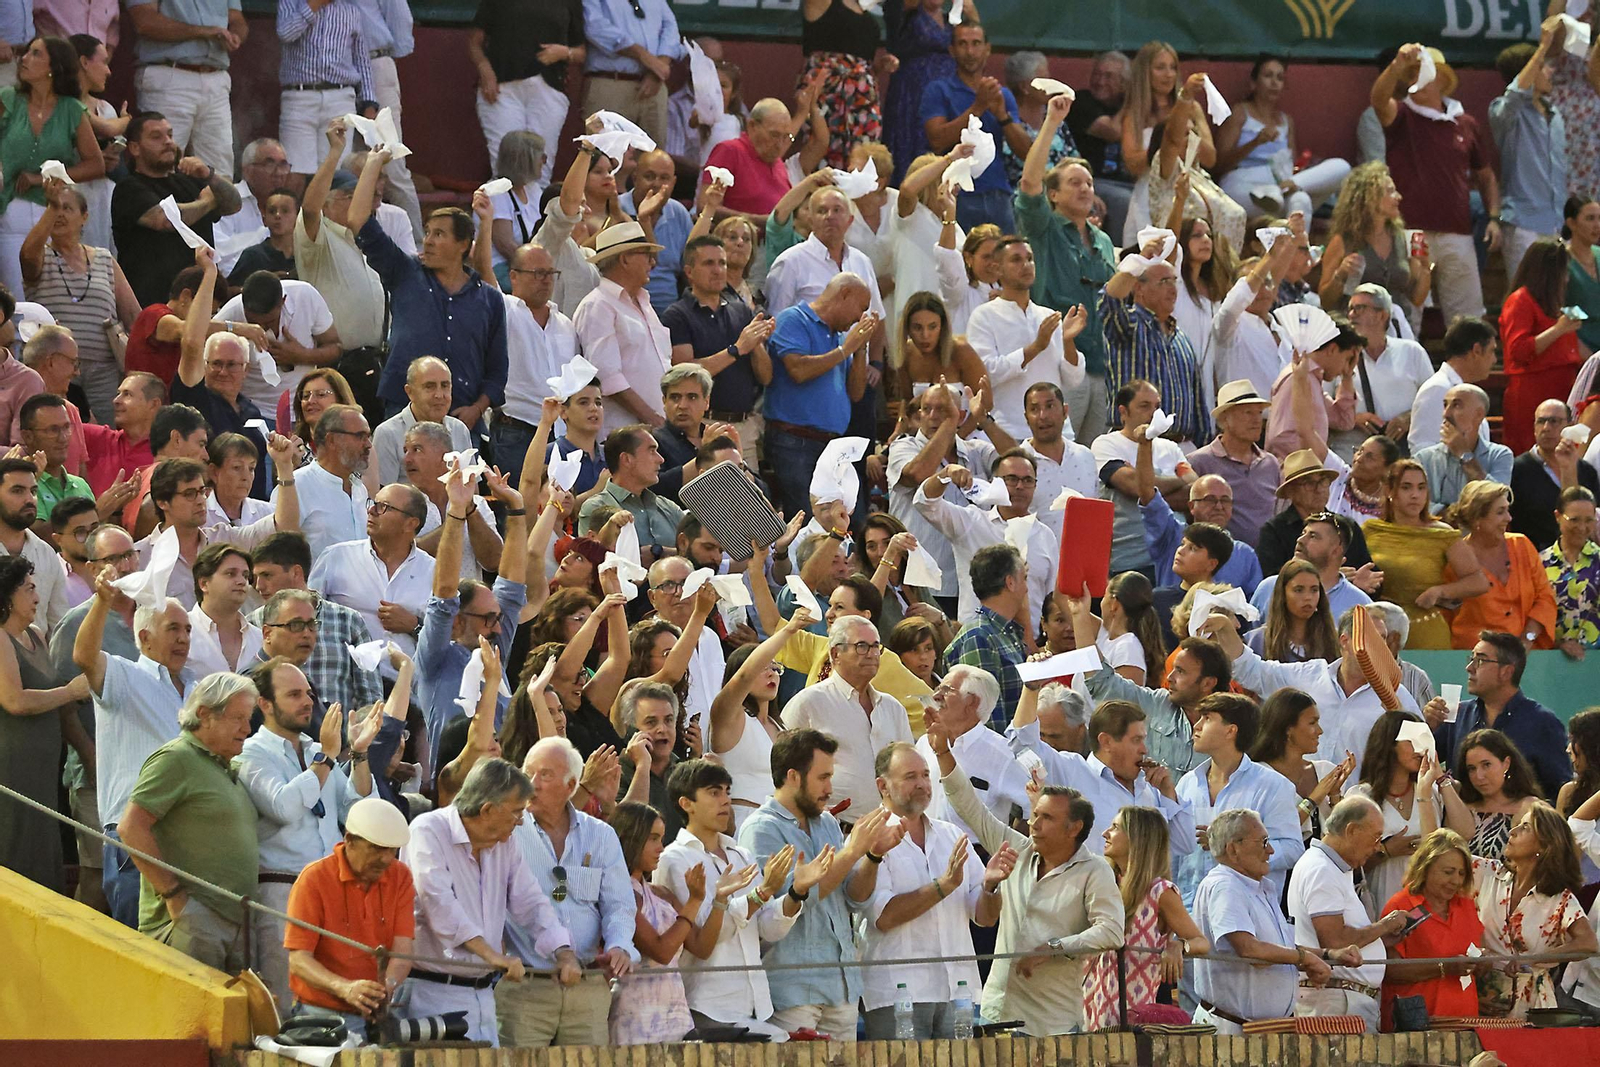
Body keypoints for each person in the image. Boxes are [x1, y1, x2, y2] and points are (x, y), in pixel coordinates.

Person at [400, 758, 579, 1046]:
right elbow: (439, 903)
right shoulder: (428, 830)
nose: (521, 822)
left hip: (484, 996)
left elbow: (531, 902)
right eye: (516, 812)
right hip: (433, 995)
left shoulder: (506, 842)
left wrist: (563, 951)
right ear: (487, 809)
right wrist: (492, 955)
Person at [235, 657, 378, 1009]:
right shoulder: (251, 753)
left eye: (309, 693)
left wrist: (358, 754)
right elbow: (283, 808)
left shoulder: (316, 750)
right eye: (294, 694)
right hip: (280, 889)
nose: (308, 701)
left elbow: (357, 811)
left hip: (330, 889)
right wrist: (329, 757)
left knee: (330, 1002)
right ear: (264, 704)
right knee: (286, 1001)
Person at [736, 729, 891, 1037]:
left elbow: (854, 898)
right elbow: (792, 905)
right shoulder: (760, 829)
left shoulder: (828, 823)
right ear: (793, 776)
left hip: (842, 986)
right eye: (822, 778)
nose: (829, 788)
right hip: (793, 992)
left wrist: (872, 856)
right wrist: (851, 851)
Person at [350, 150, 505, 437]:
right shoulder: (405, 273)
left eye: (439, 234)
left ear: (463, 245)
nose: (428, 241)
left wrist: (476, 409)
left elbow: (497, 372)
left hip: (463, 420)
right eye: (428, 232)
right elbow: (359, 221)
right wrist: (373, 163)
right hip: (401, 412)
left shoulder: (490, 299)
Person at [495, 738, 635, 1047]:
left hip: (587, 986)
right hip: (525, 986)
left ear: (571, 784)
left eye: (544, 775)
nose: (531, 784)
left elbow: (619, 905)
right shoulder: (507, 833)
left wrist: (619, 945)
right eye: (527, 773)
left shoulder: (600, 835)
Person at [118, 672, 260, 972]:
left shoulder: (223, 767)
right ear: (204, 715)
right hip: (194, 921)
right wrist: (174, 896)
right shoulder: (176, 758)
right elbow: (130, 828)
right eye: (238, 718)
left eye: (249, 719)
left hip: (233, 923)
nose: (247, 729)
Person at [652, 759, 802, 1039]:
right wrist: (762, 892)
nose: (725, 801)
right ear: (686, 803)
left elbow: (767, 930)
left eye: (727, 791)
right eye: (714, 792)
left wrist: (796, 892)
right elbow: (707, 936)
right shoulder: (674, 859)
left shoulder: (740, 854)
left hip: (755, 1003)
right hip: (708, 1004)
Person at [859, 742, 990, 1039]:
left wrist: (993, 887)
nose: (921, 784)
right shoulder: (869, 835)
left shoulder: (952, 835)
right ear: (883, 785)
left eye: (925, 775)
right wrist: (942, 887)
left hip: (958, 990)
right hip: (898, 993)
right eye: (910, 777)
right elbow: (884, 917)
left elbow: (983, 916)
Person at [1203, 604, 1420, 780]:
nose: (1378, 646)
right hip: (1298, 802)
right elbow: (1252, 670)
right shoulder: (1310, 674)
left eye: (1382, 639)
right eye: (1370, 638)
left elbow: (1421, 750)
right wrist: (1225, 629)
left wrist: (1396, 713)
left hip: (1359, 811)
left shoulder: (1395, 693)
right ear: (1344, 640)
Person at [1371, 44, 1500, 323]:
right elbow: (1379, 101)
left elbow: (1486, 174)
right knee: (1407, 314)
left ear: (1441, 79)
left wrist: (1493, 217)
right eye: (1412, 72)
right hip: (1410, 230)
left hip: (1458, 232)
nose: (1416, 77)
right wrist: (1396, 65)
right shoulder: (1401, 114)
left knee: (1468, 318)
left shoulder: (1466, 123)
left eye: (1423, 71)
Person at [1190, 807, 1345, 1034]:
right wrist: (1305, 958)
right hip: (1231, 1032)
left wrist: (1326, 955)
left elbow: (1272, 947)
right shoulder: (1226, 886)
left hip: (1263, 1032)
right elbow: (1250, 949)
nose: (1270, 850)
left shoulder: (1260, 887)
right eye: (1263, 842)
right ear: (1234, 849)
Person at [1015, 98, 1117, 440]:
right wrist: (1052, 122)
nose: (1086, 188)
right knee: (1057, 448)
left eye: (1089, 182)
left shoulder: (1104, 240)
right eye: (1074, 182)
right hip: (1059, 361)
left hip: (1102, 367)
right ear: (1053, 195)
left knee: (1094, 459)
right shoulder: (1043, 229)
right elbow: (1030, 184)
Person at [416, 466, 526, 767]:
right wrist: (456, 511)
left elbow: (513, 583)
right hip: (455, 788)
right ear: (457, 621)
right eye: (487, 619)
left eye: (497, 618)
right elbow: (444, 592)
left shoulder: (493, 649)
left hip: (503, 783)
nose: (497, 627)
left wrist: (515, 508)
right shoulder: (435, 659)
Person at [283, 796, 415, 1037]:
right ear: (349, 840)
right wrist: (344, 988)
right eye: (376, 848)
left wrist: (385, 988)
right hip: (318, 1014)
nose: (386, 859)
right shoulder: (314, 879)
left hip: (369, 1015)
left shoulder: (401, 876)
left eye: (392, 850)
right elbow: (298, 960)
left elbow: (403, 950)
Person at [0, 555, 90, 892]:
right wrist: (69, 692)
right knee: (16, 845)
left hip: (43, 765)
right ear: (8, 596)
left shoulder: (37, 636)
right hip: (11, 766)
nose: (37, 597)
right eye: (29, 589)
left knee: (43, 845)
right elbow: (15, 701)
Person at [1286, 795, 1410, 1031]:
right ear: (1352, 830)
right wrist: (1384, 925)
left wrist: (1377, 937)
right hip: (1336, 1004)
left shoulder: (1331, 867)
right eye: (1375, 838)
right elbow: (1335, 942)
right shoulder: (1321, 869)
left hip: (1342, 1001)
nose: (1376, 848)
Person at [19, 180, 136, 423]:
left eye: (66, 208)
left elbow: (133, 315)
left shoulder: (104, 259)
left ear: (84, 216)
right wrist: (50, 208)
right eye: (53, 208)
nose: (59, 214)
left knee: (106, 433)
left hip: (103, 369)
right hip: (54, 368)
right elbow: (27, 256)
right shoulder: (43, 256)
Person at [762, 273, 877, 517]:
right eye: (861, 307)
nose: (860, 317)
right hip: (796, 442)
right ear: (844, 294)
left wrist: (859, 348)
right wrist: (846, 349)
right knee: (812, 522)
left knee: (854, 520)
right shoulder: (794, 319)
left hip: (833, 446)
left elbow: (856, 394)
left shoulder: (840, 337)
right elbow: (798, 370)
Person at [1173, 692, 1303, 909]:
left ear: (1230, 730)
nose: (1196, 726)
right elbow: (1174, 854)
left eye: (1207, 718)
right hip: (1190, 911)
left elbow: (1292, 849)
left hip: (1246, 912)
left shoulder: (1273, 786)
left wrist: (1236, 848)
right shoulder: (1187, 784)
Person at [1084, 805, 1208, 1029]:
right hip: (1086, 1011)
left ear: (1137, 838)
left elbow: (1200, 942)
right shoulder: (1104, 883)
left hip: (1133, 1021)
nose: (1105, 833)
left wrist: (1178, 946)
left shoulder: (1160, 892)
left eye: (1115, 828)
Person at [0, 37, 103, 299]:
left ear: (52, 67)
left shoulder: (71, 109)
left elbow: (95, 164)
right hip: (11, 211)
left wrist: (39, 178)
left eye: (35, 54)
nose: (23, 59)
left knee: (52, 296)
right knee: (17, 297)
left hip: (56, 214)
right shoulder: (8, 98)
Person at [780, 615, 913, 817]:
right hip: (834, 833)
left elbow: (908, 768)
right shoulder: (809, 703)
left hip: (893, 832)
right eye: (861, 646)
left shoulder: (893, 708)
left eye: (876, 646)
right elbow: (780, 772)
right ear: (835, 653)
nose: (871, 654)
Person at [1476, 802, 1598, 1017]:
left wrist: (1530, 960)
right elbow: (1438, 856)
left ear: (1544, 846)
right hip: (1481, 996)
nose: (1512, 832)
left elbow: (1588, 944)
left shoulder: (1559, 899)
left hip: (1532, 1006)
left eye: (1525, 827)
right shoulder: (1487, 873)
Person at [913, 450, 1058, 627]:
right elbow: (924, 503)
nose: (1020, 486)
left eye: (1027, 480)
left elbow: (1054, 596)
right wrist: (946, 474)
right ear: (994, 483)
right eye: (1011, 479)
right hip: (978, 638)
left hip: (1030, 644)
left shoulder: (1045, 536)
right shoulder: (971, 522)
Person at [662, 235, 772, 467]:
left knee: (748, 500)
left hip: (743, 428)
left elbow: (766, 376)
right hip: (701, 427)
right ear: (689, 272)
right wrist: (737, 348)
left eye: (722, 263)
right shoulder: (677, 314)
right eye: (709, 263)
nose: (718, 270)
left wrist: (755, 344)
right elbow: (684, 374)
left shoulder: (741, 311)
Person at [112, 111, 242, 306]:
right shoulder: (128, 188)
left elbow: (234, 204)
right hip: (152, 303)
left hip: (202, 300)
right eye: (157, 137)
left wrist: (209, 175)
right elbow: (165, 219)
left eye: (170, 135)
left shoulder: (189, 182)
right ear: (135, 148)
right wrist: (208, 202)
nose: (168, 142)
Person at [172, 249, 273, 499]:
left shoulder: (252, 411)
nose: (222, 371)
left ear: (246, 370)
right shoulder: (195, 400)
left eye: (231, 365)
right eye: (215, 364)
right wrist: (210, 273)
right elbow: (192, 343)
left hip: (250, 517)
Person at [965, 235, 1087, 442]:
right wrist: (1035, 348)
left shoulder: (1048, 316)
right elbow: (985, 374)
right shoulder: (983, 316)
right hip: (1007, 433)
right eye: (1016, 260)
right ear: (997, 269)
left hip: (1057, 435)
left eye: (1029, 259)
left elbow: (1073, 380)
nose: (1026, 265)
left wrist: (1067, 341)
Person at [251, 533, 383, 716]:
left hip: (341, 740)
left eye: (267, 575)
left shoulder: (348, 621)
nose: (259, 585)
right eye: (255, 577)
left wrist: (360, 739)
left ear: (296, 572)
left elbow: (370, 697)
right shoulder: (254, 623)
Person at [307, 480, 432, 669]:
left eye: (384, 507)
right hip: (348, 682)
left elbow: (447, 639)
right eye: (373, 503)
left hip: (408, 687)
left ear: (410, 523)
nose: (371, 511)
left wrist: (414, 626)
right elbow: (307, 615)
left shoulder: (433, 571)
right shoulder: (335, 557)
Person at [1435, 631, 1572, 802]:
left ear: (1506, 672)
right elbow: (1417, 763)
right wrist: (1428, 724)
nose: (1469, 667)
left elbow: (1560, 791)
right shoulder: (1458, 714)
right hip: (1460, 824)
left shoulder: (1543, 723)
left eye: (1480, 660)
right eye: (1470, 659)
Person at [1362, 460, 1483, 649]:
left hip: (1425, 633)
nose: (1415, 495)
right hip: (1378, 632)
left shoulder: (1441, 534)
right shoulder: (1370, 530)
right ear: (1389, 491)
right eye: (1406, 487)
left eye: (1421, 488)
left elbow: (1478, 581)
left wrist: (1440, 591)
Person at [1101, 237, 1210, 448]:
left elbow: (1197, 404)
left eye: (1174, 281)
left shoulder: (1181, 338)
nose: (1172, 289)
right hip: (1134, 443)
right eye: (1163, 282)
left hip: (1182, 447)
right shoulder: (1128, 326)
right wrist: (1138, 262)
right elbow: (1109, 301)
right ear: (1138, 289)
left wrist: (1203, 446)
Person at [918, 22, 1027, 232]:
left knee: (1004, 261)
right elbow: (937, 141)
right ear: (952, 50)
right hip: (955, 194)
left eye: (976, 43)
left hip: (998, 193)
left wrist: (1003, 117)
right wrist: (978, 106)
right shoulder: (938, 90)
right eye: (962, 44)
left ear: (987, 49)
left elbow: (1025, 151)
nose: (970, 51)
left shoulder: (1001, 94)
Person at [606, 800, 697, 1044]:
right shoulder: (618, 893)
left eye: (662, 838)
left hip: (677, 1014)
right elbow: (661, 951)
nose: (661, 847)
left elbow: (701, 946)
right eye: (653, 839)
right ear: (630, 839)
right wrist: (694, 903)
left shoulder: (662, 893)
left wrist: (721, 898)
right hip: (636, 1016)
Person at [1214, 56, 1349, 220]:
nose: (1274, 83)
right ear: (1253, 83)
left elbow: (1291, 165)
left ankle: (1282, 196)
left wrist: (1301, 169)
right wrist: (1255, 142)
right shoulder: (1240, 113)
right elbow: (1220, 165)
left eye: (1280, 78)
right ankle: (1277, 194)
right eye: (1268, 76)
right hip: (1243, 185)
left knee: (1340, 169)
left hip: (1279, 184)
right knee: (1295, 200)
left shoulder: (1286, 121)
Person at [571, 220, 672, 438]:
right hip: (623, 434)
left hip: (654, 430)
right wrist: (652, 419)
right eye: (645, 254)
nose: (652, 262)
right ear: (625, 259)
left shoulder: (644, 303)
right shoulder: (598, 305)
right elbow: (607, 377)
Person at [468, 0, 580, 191]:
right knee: (505, 166)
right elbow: (474, 41)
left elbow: (582, 52)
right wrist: (484, 69)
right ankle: (500, 219)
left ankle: (535, 220)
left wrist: (564, 52)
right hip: (502, 87)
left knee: (541, 168)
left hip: (549, 87)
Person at [1378, 828, 1485, 1029]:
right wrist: (1443, 968)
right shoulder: (1402, 906)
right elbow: (1389, 970)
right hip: (1415, 1027)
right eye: (1448, 872)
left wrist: (1482, 963)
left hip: (1465, 1024)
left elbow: (1477, 949)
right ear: (1425, 868)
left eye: (1461, 873)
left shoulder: (1466, 905)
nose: (1456, 881)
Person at [297, 125, 386, 357]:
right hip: (334, 361)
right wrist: (335, 151)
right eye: (349, 197)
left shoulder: (363, 239)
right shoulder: (318, 237)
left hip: (372, 360)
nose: (358, 203)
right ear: (326, 204)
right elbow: (309, 208)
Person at [1093, 379, 1197, 577]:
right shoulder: (1106, 445)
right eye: (1144, 406)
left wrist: (1150, 490)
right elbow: (1137, 487)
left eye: (1157, 407)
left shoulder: (1171, 448)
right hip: (1129, 560)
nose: (1154, 413)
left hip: (1173, 559)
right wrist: (1177, 482)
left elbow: (1195, 490)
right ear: (1123, 412)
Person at [913, 664, 1030, 838]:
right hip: (925, 853)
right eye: (937, 689)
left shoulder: (1002, 753)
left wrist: (1013, 850)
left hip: (976, 857)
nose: (936, 696)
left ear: (972, 701)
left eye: (946, 690)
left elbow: (1034, 806)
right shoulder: (925, 742)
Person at [1445, 480, 1559, 652]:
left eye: (1507, 510)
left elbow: (1545, 599)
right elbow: (1448, 615)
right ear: (1477, 518)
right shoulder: (1457, 557)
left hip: (1526, 656)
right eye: (1500, 512)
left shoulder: (1522, 545)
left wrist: (1526, 640)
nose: (1509, 518)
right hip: (1474, 658)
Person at [1490, 27, 1568, 279]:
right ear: (1531, 71)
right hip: (1523, 225)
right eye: (1544, 66)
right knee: (1525, 300)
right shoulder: (1504, 113)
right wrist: (1543, 48)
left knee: (1556, 302)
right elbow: (1514, 95)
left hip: (1557, 225)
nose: (1550, 71)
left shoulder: (1555, 116)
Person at [498, 246, 580, 485]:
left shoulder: (565, 324)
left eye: (550, 273)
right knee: (517, 509)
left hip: (560, 433)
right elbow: (484, 276)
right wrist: (487, 221)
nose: (545, 280)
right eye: (537, 273)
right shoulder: (503, 310)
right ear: (513, 276)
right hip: (517, 430)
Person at [1317, 163, 1431, 328]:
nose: (1398, 197)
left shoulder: (1401, 238)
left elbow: (1417, 298)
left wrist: (1425, 266)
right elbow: (1326, 301)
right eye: (1390, 191)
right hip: (1355, 331)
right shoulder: (1343, 241)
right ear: (1370, 198)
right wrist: (1340, 275)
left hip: (1396, 329)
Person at [1501, 240, 1584, 456]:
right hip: (1532, 393)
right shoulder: (1520, 301)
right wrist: (1559, 329)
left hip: (1561, 390)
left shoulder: (1553, 304)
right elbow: (1518, 351)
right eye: (1563, 272)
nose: (1566, 279)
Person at [795, 0, 895, 170]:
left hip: (862, 100)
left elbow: (859, 61)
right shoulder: (823, 4)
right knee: (822, 155)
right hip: (829, 94)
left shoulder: (864, 7)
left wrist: (879, 66)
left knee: (863, 158)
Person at [1249, 688, 1353, 846]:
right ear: (1288, 729)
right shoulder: (1259, 776)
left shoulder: (1325, 770)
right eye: (1312, 723)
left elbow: (1345, 838)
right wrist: (1313, 799)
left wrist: (1335, 795)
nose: (1320, 731)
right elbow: (1271, 835)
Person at [578, 0, 682, 147]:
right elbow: (594, 27)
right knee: (605, 156)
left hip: (654, 86)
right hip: (611, 83)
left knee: (652, 159)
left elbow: (670, 26)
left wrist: (658, 69)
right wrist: (644, 57)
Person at [1186, 381, 1280, 544]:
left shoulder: (1270, 463)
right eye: (1248, 412)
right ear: (1224, 419)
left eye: (1259, 413)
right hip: (1221, 559)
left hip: (1267, 560)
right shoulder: (1200, 461)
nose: (1257, 420)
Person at [1256, 450, 1374, 579]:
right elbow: (1271, 579)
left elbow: (1371, 574)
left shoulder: (1347, 527)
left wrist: (1364, 582)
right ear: (1290, 492)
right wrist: (1329, 578)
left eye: (1323, 481)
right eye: (1309, 483)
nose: (1319, 489)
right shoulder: (1274, 531)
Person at [1249, 511, 1371, 627]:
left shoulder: (1359, 605)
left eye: (1313, 536)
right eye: (1303, 533)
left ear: (1336, 551)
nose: (1300, 540)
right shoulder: (1268, 588)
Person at [369, 356, 472, 488]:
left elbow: (471, 488)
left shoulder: (460, 429)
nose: (439, 395)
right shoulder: (388, 433)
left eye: (445, 386)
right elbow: (383, 496)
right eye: (430, 387)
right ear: (410, 392)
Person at [1512, 401, 1599, 551]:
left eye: (1554, 421)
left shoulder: (1585, 470)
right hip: (1533, 557)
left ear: (1570, 426)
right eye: (1541, 421)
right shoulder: (1517, 469)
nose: (1546, 428)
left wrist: (1568, 469)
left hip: (1583, 557)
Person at [1409, 316, 1498, 456]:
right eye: (1492, 351)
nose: (1494, 360)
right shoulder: (1437, 389)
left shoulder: (1460, 388)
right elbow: (1422, 449)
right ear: (1476, 350)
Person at [1456, 728, 1543, 863]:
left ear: (1506, 763)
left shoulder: (1531, 808)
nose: (1479, 776)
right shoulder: (1461, 808)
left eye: (1486, 765)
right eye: (1471, 769)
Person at [999, 50, 1077, 192]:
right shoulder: (1008, 122)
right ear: (1024, 87)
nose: (1051, 84)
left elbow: (1075, 159)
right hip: (1024, 196)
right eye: (1044, 79)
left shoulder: (1055, 114)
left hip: (1064, 194)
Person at [83, 372, 163, 498]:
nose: (116, 400)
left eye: (127, 394)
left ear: (153, 404)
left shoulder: (166, 451)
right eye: (118, 394)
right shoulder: (97, 438)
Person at [16, 392, 89, 525]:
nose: (63, 438)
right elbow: (34, 538)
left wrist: (115, 510)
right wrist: (98, 512)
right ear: (27, 437)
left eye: (67, 427)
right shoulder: (19, 489)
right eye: (53, 430)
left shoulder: (81, 485)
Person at [1544, 486, 1600, 655]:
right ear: (1558, 516)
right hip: (1551, 659)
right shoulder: (1539, 563)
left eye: (1589, 520)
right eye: (1574, 520)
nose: (1582, 527)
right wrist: (1559, 644)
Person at [1249, 558, 1339, 663]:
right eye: (1299, 590)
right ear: (1282, 594)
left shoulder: (1333, 639)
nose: (1308, 597)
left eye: (1314, 590)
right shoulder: (1258, 641)